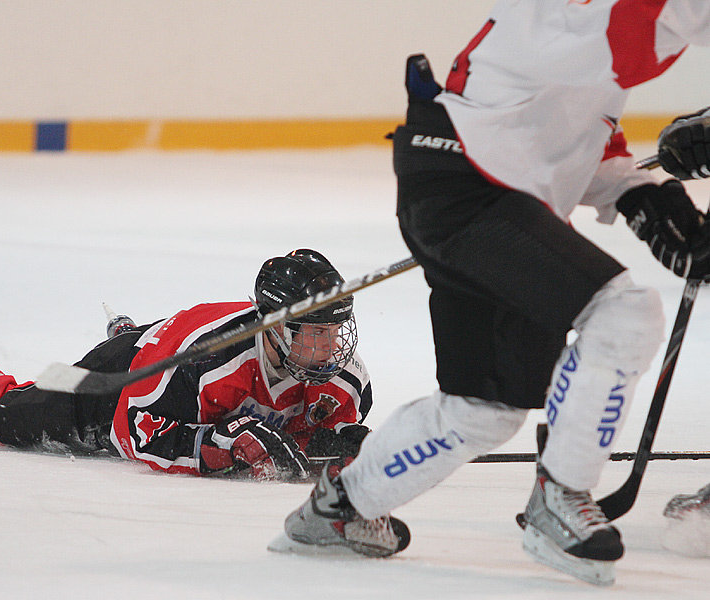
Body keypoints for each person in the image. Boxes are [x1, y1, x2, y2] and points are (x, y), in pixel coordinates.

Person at [272, 1, 710, 586]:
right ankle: (560, 496)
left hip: (464, 192)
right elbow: (664, 19)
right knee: (626, 314)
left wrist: (642, 194)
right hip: (473, 194)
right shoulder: (578, 19)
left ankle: (338, 509)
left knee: (483, 410)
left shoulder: (583, 44)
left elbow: (581, 147)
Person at [0, 249, 376, 482]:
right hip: (130, 375)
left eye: (334, 332)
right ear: (274, 329)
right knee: (10, 417)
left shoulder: (346, 378)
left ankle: (134, 330)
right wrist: (212, 448)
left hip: (169, 350)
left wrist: (341, 443)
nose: (328, 349)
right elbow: (134, 431)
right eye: (314, 335)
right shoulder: (207, 361)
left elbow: (319, 434)